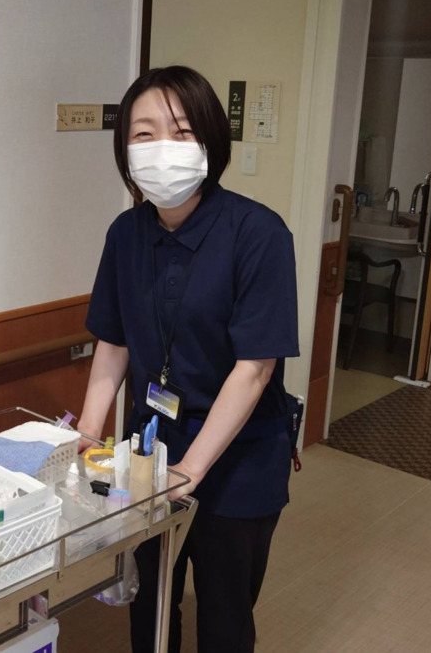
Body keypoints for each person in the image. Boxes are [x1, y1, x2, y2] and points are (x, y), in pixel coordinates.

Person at [77, 65, 300, 653]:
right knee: (150, 601)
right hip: (150, 449)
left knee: (225, 614)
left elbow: (255, 369)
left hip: (239, 458)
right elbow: (114, 340)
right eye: (143, 134)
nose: (162, 148)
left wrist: (191, 470)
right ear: (125, 150)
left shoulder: (258, 233)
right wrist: (88, 431)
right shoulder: (125, 234)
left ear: (210, 140)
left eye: (181, 131)